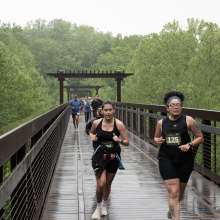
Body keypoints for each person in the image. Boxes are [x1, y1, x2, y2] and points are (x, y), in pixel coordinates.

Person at [154, 91, 204, 220]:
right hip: (166, 158)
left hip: (184, 160)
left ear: (181, 107)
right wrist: (157, 140)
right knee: (173, 192)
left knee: (179, 195)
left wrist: (190, 145)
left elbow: (200, 137)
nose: (176, 107)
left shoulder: (188, 120)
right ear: (167, 108)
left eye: (179, 105)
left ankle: (172, 209)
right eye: (173, 105)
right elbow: (156, 137)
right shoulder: (161, 123)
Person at [89, 101, 129, 219]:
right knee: (100, 184)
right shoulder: (96, 123)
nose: (107, 112)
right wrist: (94, 137)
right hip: (99, 157)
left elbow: (127, 142)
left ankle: (105, 205)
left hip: (113, 158)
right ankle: (98, 207)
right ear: (102, 111)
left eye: (110, 110)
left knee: (107, 183)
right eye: (105, 110)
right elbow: (91, 133)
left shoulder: (119, 124)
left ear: (114, 111)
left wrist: (119, 140)